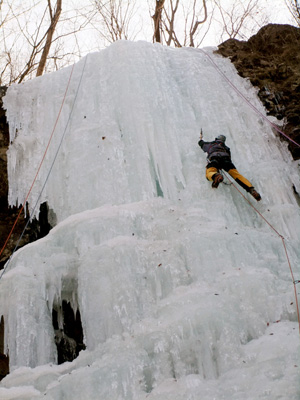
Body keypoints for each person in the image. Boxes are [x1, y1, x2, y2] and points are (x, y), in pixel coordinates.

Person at [198, 130, 261, 201]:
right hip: (226, 161)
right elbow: (229, 158)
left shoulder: (211, 144)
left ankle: (216, 175)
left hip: (214, 158)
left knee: (210, 172)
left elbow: (201, 144)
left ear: (216, 139)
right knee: (236, 175)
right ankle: (251, 189)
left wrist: (200, 140)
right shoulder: (226, 148)